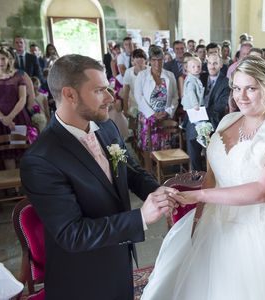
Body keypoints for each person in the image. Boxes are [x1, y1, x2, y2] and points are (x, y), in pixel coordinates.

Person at [141, 55, 265, 300]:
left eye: (251, 88)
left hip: (260, 232)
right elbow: (211, 177)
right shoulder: (228, 120)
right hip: (213, 224)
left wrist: (197, 195)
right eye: (237, 88)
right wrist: (197, 220)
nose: (241, 96)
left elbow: (263, 191)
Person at [20, 54, 180, 300]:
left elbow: (132, 170)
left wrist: (159, 192)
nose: (110, 97)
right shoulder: (41, 160)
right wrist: (140, 217)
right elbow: (72, 234)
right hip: (81, 278)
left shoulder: (105, 127)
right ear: (70, 95)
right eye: (99, 90)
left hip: (118, 259)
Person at [134, 46, 179, 152]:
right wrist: (152, 114)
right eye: (154, 60)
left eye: (160, 60)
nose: (157, 63)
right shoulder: (142, 75)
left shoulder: (170, 76)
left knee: (165, 148)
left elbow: (175, 97)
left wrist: (167, 112)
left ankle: (162, 168)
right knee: (148, 149)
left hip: (165, 117)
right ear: (149, 60)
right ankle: (149, 168)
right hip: (147, 117)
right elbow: (138, 97)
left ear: (163, 60)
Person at [0, 46, 31, 170]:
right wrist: (3, 119)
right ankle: (15, 189)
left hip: (18, 118)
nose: (0, 62)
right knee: (7, 154)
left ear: (9, 60)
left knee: (21, 150)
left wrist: (10, 117)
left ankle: (26, 184)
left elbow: (22, 98)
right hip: (0, 122)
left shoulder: (18, 76)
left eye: (3, 58)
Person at [182, 56, 206, 171]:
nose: (196, 68)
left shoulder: (195, 78)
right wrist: (195, 104)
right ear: (187, 68)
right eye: (193, 66)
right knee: (196, 132)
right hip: (193, 108)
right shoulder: (191, 79)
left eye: (198, 66)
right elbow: (191, 92)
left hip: (194, 110)